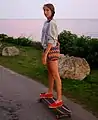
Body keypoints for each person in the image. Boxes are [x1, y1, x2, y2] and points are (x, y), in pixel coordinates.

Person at [40, 3, 63, 108]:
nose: (45, 12)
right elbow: (53, 37)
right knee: (50, 72)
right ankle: (50, 92)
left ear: (52, 11)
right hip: (47, 49)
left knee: (55, 75)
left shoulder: (52, 23)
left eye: (47, 10)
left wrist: (45, 54)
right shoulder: (47, 22)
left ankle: (59, 100)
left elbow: (51, 40)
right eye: (44, 10)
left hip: (51, 50)